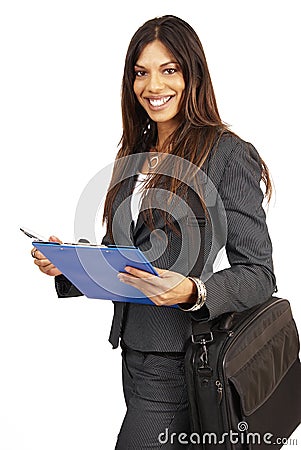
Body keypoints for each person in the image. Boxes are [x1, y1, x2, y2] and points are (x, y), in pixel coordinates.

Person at [31, 15, 276, 449]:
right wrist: (69, 263)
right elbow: (124, 253)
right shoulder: (135, 153)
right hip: (133, 354)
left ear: (192, 74)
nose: (152, 85)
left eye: (169, 70)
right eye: (141, 72)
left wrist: (193, 291)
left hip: (182, 359)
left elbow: (259, 273)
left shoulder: (228, 154)